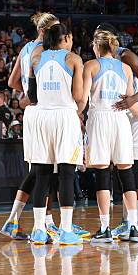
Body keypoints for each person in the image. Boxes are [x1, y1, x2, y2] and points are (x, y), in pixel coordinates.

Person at [81, 29, 138, 243]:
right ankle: (133, 227)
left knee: (103, 174)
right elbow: (129, 101)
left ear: (96, 46)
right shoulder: (126, 68)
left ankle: (105, 228)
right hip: (121, 121)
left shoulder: (91, 65)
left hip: (100, 119)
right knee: (126, 173)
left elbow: (83, 100)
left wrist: (74, 118)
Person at [0, 13, 64, 241]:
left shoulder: (26, 48)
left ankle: (15, 220)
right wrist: (35, 95)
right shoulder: (47, 52)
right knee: (47, 171)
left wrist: (27, 95)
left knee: (38, 170)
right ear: (47, 30)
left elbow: (11, 82)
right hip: (46, 111)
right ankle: (46, 223)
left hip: (32, 113)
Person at [27, 23, 84, 245]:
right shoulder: (73, 59)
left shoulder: (36, 58)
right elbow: (78, 95)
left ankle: (39, 230)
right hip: (64, 116)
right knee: (67, 174)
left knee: (42, 174)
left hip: (42, 117)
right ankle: (66, 230)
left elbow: (32, 95)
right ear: (67, 38)